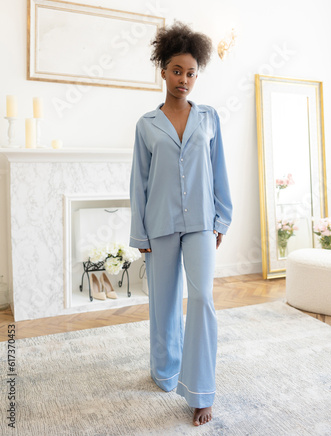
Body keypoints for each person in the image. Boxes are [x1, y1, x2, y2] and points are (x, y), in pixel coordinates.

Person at [129, 21, 232, 426]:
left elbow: (219, 170)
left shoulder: (209, 118)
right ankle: (165, 371)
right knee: (165, 304)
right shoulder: (146, 125)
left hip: (203, 224)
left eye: (191, 73)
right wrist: (139, 231)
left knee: (203, 300)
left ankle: (201, 390)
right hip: (159, 224)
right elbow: (138, 182)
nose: (184, 79)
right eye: (176, 70)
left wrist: (222, 217)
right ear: (163, 70)